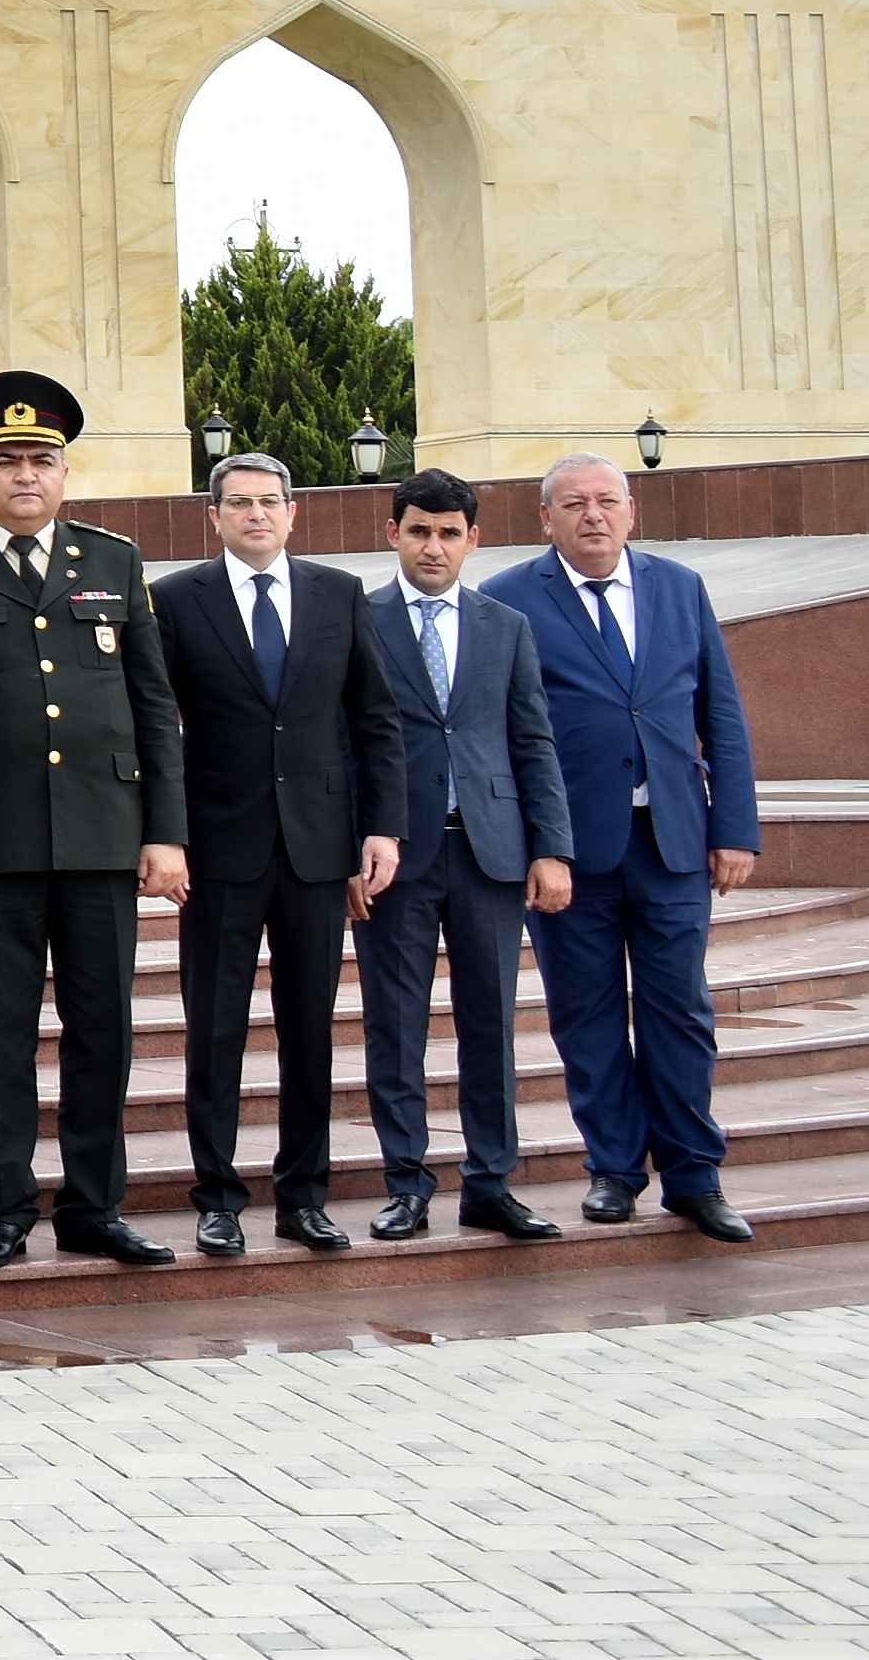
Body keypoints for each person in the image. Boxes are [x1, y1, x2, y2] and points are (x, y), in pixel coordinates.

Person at [0, 374, 187, 1271]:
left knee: (105, 1030)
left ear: (64, 473)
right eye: (7, 461)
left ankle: (94, 1205)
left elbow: (154, 704)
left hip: (101, 835)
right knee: (3, 1034)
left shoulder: (114, 562)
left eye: (42, 461)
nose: (26, 475)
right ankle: (6, 1206)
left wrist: (163, 832)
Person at [486, 453, 762, 1241]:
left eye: (608, 501)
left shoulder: (680, 588)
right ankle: (614, 1168)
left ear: (632, 511)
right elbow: (502, 734)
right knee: (587, 1014)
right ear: (546, 519)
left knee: (681, 1011)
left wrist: (734, 827)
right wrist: (538, 846)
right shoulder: (507, 602)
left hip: (674, 840)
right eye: (574, 504)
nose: (594, 516)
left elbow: (723, 713)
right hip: (570, 852)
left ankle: (694, 1176)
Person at [147, 451, 404, 1256]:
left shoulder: (338, 594)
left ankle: (305, 1196)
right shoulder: (175, 600)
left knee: (309, 1029)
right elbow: (156, 726)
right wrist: (168, 836)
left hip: (317, 851)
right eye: (239, 503)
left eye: (270, 502)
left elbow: (376, 720)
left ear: (293, 513)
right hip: (218, 852)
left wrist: (381, 827)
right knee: (214, 1031)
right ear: (213, 517)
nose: (256, 514)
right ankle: (217, 1197)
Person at [350, 467, 575, 1241]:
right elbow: (342, 746)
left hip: (491, 852)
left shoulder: (503, 625)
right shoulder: (359, 618)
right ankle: (406, 1183)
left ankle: (490, 1183)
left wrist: (552, 849)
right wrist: (355, 843)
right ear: (393, 535)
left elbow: (532, 741)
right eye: (419, 531)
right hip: (394, 858)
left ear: (473, 540)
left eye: (450, 533)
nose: (434, 547)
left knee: (491, 1024)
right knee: (396, 1023)